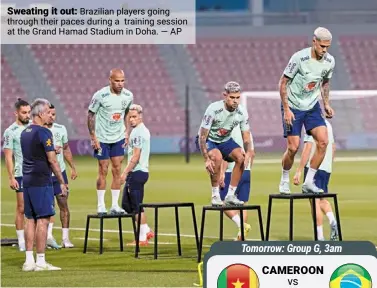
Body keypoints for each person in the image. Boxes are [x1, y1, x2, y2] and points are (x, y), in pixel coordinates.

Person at [278, 27, 336, 194]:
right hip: (293, 105)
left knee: (323, 141)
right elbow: (283, 83)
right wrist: (286, 109)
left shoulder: (330, 61)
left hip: (312, 106)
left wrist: (326, 104)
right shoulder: (299, 58)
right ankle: (284, 178)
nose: (324, 50)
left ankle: (309, 181)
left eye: (327, 47)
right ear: (314, 41)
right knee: (293, 148)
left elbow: (325, 82)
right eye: (322, 46)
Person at [20, 98, 67, 271]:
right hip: (42, 180)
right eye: (48, 112)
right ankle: (40, 261)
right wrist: (61, 181)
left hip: (28, 179)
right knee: (43, 220)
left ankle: (28, 261)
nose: (50, 115)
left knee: (30, 219)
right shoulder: (44, 132)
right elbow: (52, 161)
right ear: (40, 114)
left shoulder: (25, 132)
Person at [196, 81, 253, 206]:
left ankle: (230, 195)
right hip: (209, 140)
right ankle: (215, 195)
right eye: (232, 97)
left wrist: (248, 152)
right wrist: (206, 159)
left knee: (241, 158)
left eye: (237, 97)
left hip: (225, 140)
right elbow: (202, 136)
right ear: (225, 96)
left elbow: (246, 138)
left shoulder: (241, 112)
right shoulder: (213, 109)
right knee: (217, 157)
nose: (235, 101)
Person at [87, 68, 133, 215]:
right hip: (102, 138)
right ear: (110, 80)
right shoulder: (100, 95)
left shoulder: (128, 96)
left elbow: (126, 113)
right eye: (117, 81)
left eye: (122, 81)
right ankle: (101, 205)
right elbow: (90, 115)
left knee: (117, 169)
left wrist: (126, 132)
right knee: (103, 169)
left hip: (118, 137)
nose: (120, 84)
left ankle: (114, 205)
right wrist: (93, 136)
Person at [293, 119, 339, 241]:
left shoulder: (311, 123)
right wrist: (329, 165)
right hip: (326, 167)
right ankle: (333, 221)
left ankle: (320, 236)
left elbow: (308, 148)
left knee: (314, 202)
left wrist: (299, 170)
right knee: (322, 198)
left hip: (314, 167)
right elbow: (333, 147)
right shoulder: (328, 124)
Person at [120, 104, 153, 246]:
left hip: (137, 172)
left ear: (140, 116)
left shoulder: (139, 132)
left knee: (136, 206)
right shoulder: (138, 131)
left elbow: (136, 157)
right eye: (130, 117)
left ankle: (142, 238)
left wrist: (124, 173)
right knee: (127, 205)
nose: (131, 120)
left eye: (134, 117)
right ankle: (145, 230)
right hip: (139, 172)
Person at [46, 104, 77, 248]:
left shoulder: (61, 129)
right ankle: (49, 236)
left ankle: (65, 239)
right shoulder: (39, 131)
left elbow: (66, 149)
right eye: (49, 114)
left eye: (53, 114)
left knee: (63, 204)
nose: (51, 116)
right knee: (48, 206)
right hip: (44, 173)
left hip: (60, 173)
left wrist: (72, 167)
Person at [3, 98, 31, 251]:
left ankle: (35, 238)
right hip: (21, 174)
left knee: (35, 208)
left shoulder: (33, 127)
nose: (28, 115)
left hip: (36, 174)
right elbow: (8, 156)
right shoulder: (10, 132)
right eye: (24, 113)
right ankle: (21, 241)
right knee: (21, 208)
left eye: (29, 112)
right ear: (16, 113)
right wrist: (11, 177)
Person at [220, 125, 255, 240]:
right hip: (247, 170)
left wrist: (222, 173)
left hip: (232, 171)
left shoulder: (228, 129)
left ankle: (242, 225)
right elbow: (252, 153)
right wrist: (248, 169)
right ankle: (241, 237)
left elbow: (226, 156)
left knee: (221, 203)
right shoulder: (247, 132)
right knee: (243, 204)